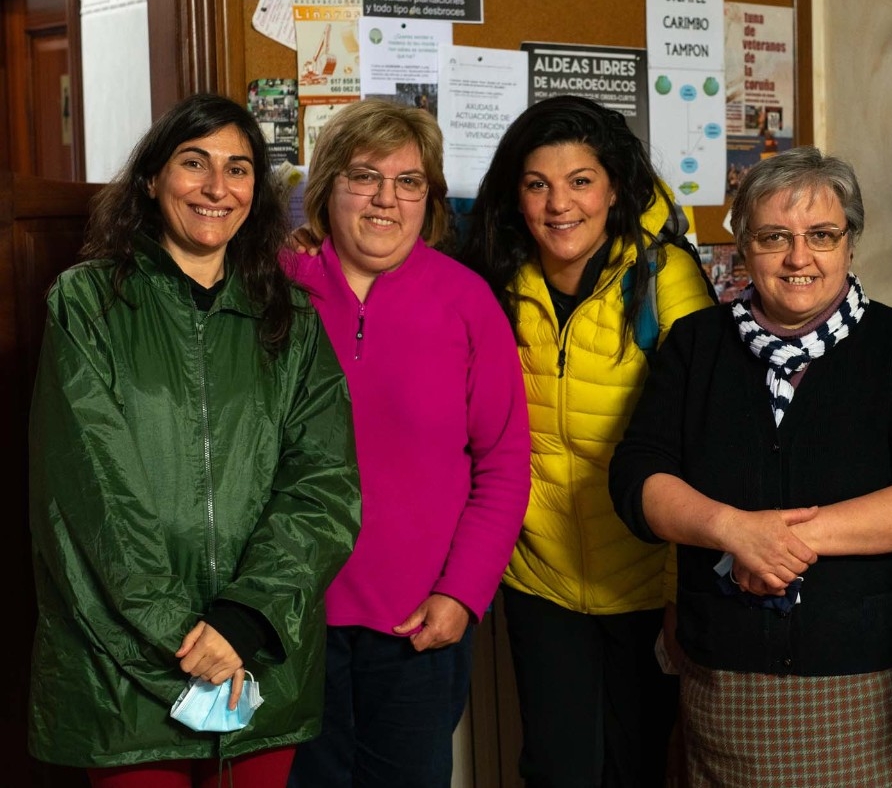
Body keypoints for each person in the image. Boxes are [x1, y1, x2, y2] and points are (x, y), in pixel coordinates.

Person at [27, 93, 361, 786]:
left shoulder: (292, 318)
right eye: (194, 163)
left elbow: (324, 484)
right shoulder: (88, 304)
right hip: (124, 666)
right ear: (152, 178)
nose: (217, 187)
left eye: (238, 169)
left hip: (259, 657)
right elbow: (93, 493)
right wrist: (183, 633)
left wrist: (243, 621)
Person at [610, 146, 892, 787]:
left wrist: (780, 542)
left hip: (868, 683)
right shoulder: (696, 346)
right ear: (744, 248)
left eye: (822, 235)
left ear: (850, 244)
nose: (800, 258)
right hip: (728, 679)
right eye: (774, 237)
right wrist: (731, 530)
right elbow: (636, 479)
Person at [457, 95, 714, 787]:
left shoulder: (666, 279)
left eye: (580, 181)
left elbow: (701, 441)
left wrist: (675, 586)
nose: (558, 204)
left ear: (614, 188)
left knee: (634, 767)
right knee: (556, 766)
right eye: (537, 183)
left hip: (642, 579)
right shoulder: (493, 280)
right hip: (539, 579)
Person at [285, 100, 530, 788]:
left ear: (430, 196)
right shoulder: (276, 290)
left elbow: (505, 464)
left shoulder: (467, 301)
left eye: (409, 182)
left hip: (419, 621)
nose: (386, 199)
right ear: (328, 184)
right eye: (365, 176)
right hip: (291, 613)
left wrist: (462, 593)